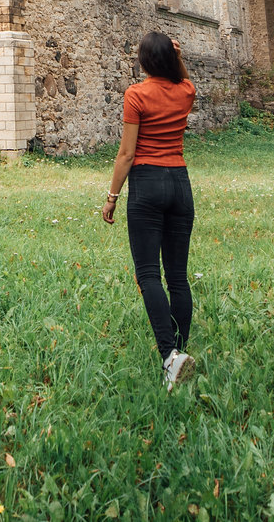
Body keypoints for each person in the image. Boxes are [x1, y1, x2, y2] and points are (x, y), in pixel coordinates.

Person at [102, 31, 197, 389]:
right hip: (180, 183)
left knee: (147, 274)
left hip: (147, 184)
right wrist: (179, 57)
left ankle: (170, 357)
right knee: (178, 277)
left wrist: (112, 196)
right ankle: (179, 352)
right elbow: (185, 80)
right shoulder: (185, 92)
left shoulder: (136, 95)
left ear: (144, 61)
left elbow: (126, 154)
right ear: (171, 60)